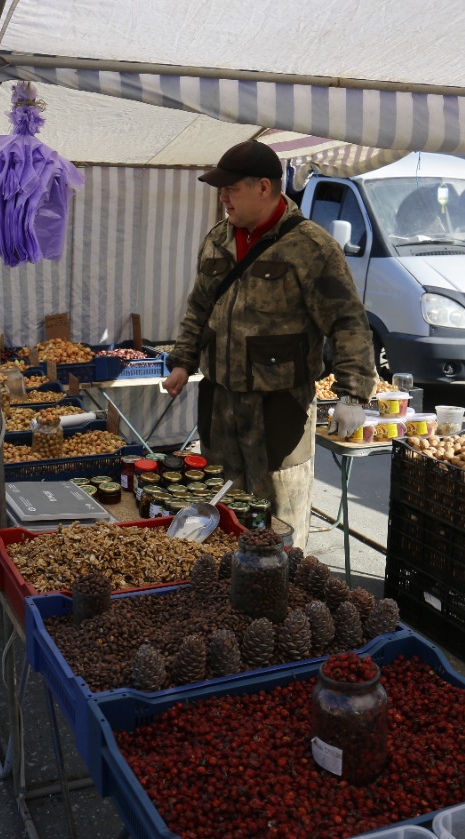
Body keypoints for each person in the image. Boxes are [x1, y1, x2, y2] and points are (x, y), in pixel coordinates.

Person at [162, 140, 376, 551]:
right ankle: (225, 596)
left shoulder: (311, 247)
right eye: (220, 189)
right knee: (225, 509)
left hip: (279, 406)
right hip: (221, 402)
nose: (222, 197)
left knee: (280, 513)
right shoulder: (218, 239)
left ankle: (284, 593)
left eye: (231, 188)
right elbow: (199, 308)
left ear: (264, 187)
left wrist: (353, 394)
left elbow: (348, 321)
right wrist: (182, 361)